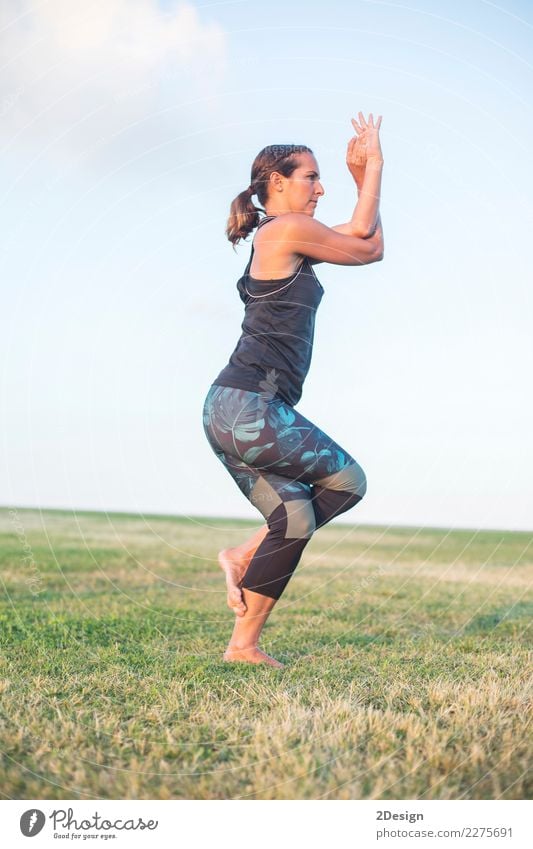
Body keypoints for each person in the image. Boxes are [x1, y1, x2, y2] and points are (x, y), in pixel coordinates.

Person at [202, 112, 384, 667]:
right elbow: (366, 244)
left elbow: (366, 241)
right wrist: (370, 170)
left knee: (297, 517)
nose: (318, 187)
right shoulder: (282, 230)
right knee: (346, 481)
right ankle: (245, 553)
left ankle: (243, 646)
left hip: (237, 410)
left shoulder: (285, 235)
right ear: (276, 182)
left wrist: (365, 185)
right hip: (248, 405)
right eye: (310, 177)